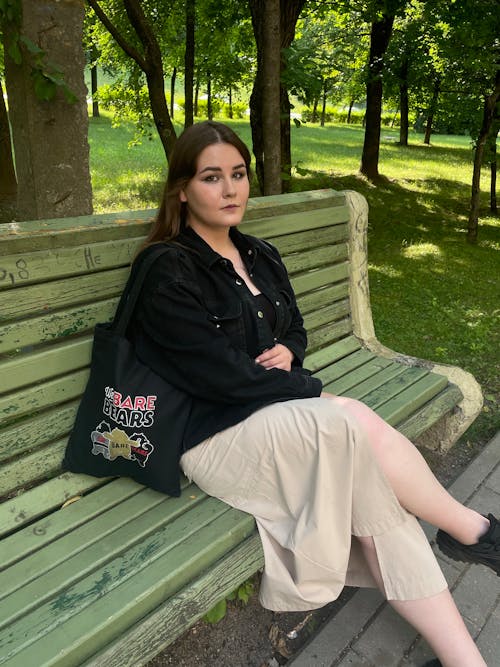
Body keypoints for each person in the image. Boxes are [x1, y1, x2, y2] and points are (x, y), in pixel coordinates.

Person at [130, 120, 499, 667]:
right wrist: (303, 383)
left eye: (238, 174)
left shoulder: (258, 254)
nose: (230, 190)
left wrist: (288, 354)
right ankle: (475, 532)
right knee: (344, 418)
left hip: (278, 414)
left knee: (361, 469)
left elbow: (294, 330)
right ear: (182, 189)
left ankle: (464, 659)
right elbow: (218, 378)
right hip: (214, 434)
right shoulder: (168, 269)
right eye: (212, 177)